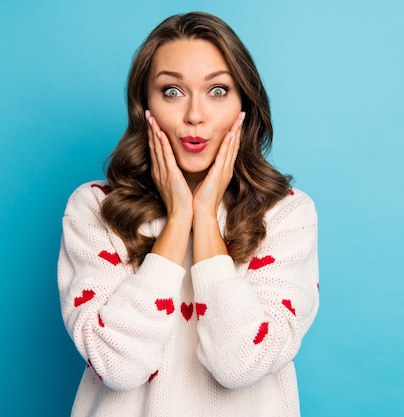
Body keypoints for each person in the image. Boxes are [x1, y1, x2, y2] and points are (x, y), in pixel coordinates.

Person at [57, 11, 319, 417]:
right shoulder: (96, 208)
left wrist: (205, 216)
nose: (194, 115)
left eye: (217, 90)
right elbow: (117, 366)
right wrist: (179, 219)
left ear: (243, 105)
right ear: (145, 105)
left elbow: (240, 364)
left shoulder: (287, 215)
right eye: (172, 91)